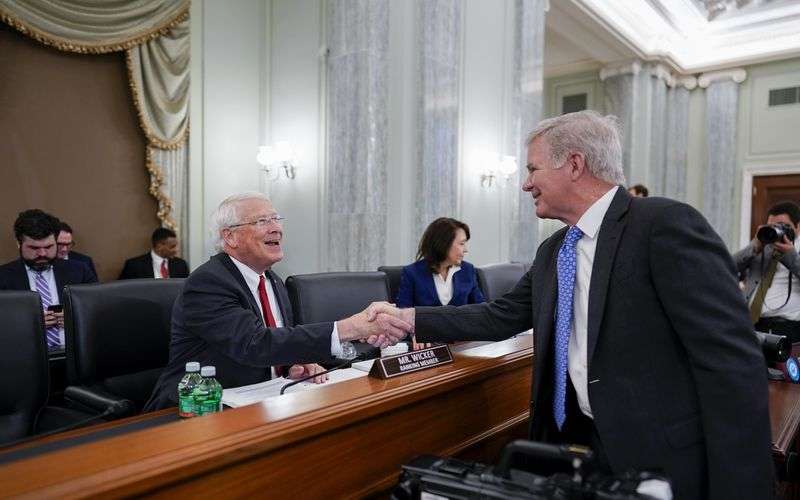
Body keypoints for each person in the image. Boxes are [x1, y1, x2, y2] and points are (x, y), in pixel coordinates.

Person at [367, 111, 772, 499]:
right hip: (576, 451)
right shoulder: (553, 251)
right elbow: (500, 315)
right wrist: (409, 319)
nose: (526, 185)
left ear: (574, 164)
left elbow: (731, 362)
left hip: (662, 460)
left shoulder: (663, 225)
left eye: (532, 169)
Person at [143, 192, 410, 411]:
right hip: (198, 408)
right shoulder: (207, 284)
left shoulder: (272, 281)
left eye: (276, 219)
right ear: (230, 237)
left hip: (261, 401)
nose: (276, 228)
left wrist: (294, 363)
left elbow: (278, 342)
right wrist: (350, 328)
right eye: (261, 221)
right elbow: (255, 344)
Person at [0, 209, 97, 349]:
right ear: (18, 244)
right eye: (34, 248)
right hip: (25, 357)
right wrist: (29, 324)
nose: (42, 253)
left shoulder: (80, 271)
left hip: (76, 355)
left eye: (49, 246)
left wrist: (75, 318)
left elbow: (98, 311)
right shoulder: (3, 277)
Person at [734, 200, 800, 342]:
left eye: (783, 226)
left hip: (790, 328)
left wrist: (791, 256)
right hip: (752, 325)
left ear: (798, 226)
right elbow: (726, 268)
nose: (777, 230)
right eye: (772, 226)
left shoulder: (796, 253)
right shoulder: (762, 248)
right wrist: (754, 247)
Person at [395, 217, 485, 308]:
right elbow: (402, 313)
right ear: (444, 244)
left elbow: (482, 310)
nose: (465, 250)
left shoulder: (468, 270)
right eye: (461, 244)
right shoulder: (412, 273)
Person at [118, 227, 190, 280]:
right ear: (159, 246)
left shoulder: (181, 265)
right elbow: (123, 291)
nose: (176, 250)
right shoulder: (134, 266)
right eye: (172, 247)